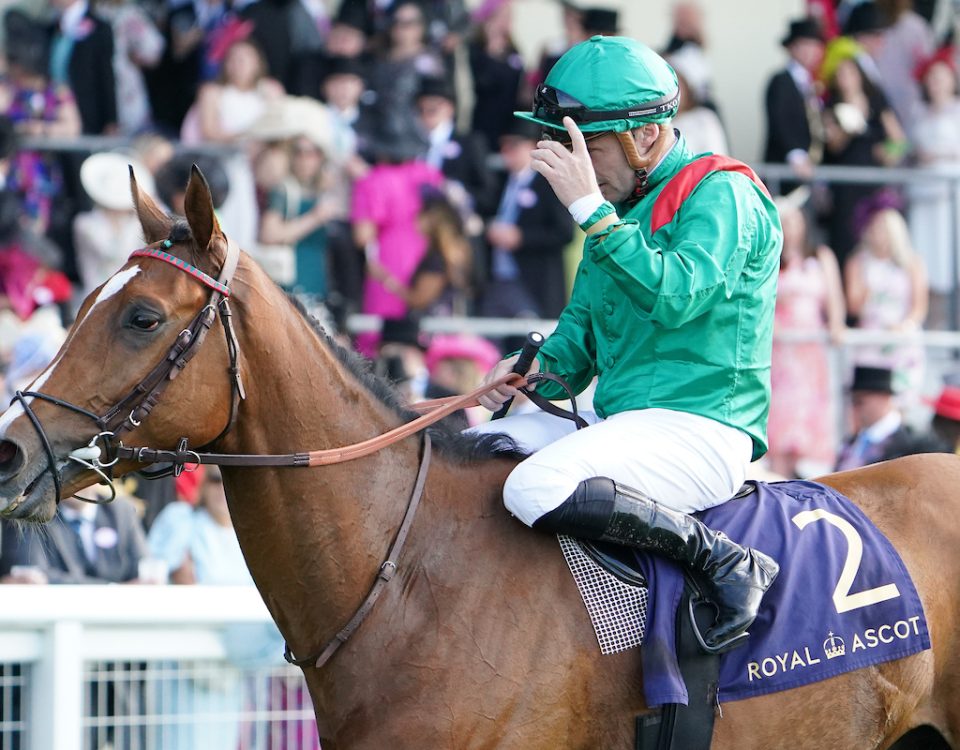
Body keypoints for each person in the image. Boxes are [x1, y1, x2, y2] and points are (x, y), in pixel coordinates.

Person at [471, 35, 783, 650]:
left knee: (531, 487)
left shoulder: (723, 192)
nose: (573, 163)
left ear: (643, 136)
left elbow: (678, 297)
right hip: (624, 419)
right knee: (474, 452)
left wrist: (592, 212)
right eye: (564, 144)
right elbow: (579, 340)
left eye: (585, 146)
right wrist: (530, 369)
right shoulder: (614, 215)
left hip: (703, 429)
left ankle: (725, 562)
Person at [766, 189, 846, 479]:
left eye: (795, 221)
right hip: (780, 350)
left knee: (810, 417)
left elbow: (834, 301)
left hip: (810, 351)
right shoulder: (770, 259)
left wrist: (836, 324)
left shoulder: (821, 257)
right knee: (781, 418)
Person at [479, 117, 573, 325]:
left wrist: (521, 237)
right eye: (503, 145)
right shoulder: (501, 182)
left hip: (534, 282)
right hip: (498, 279)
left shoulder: (548, 183)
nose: (506, 151)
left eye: (513, 145)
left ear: (532, 146)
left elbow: (564, 232)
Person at [844, 192, 928, 401]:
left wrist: (905, 326)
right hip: (870, 340)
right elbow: (853, 306)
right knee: (869, 396)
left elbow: (919, 306)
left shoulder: (911, 263)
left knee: (901, 398)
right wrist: (868, 284)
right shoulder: (858, 262)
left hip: (901, 340)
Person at [835, 365, 938, 469]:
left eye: (859, 402)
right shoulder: (852, 441)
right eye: (853, 402)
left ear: (884, 397)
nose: (855, 408)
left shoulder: (912, 445)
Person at [762, 17, 826, 185]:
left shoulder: (812, 84)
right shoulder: (780, 80)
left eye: (814, 45)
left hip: (809, 172)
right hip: (785, 172)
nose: (810, 51)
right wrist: (795, 154)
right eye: (804, 44)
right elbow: (780, 119)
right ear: (791, 48)